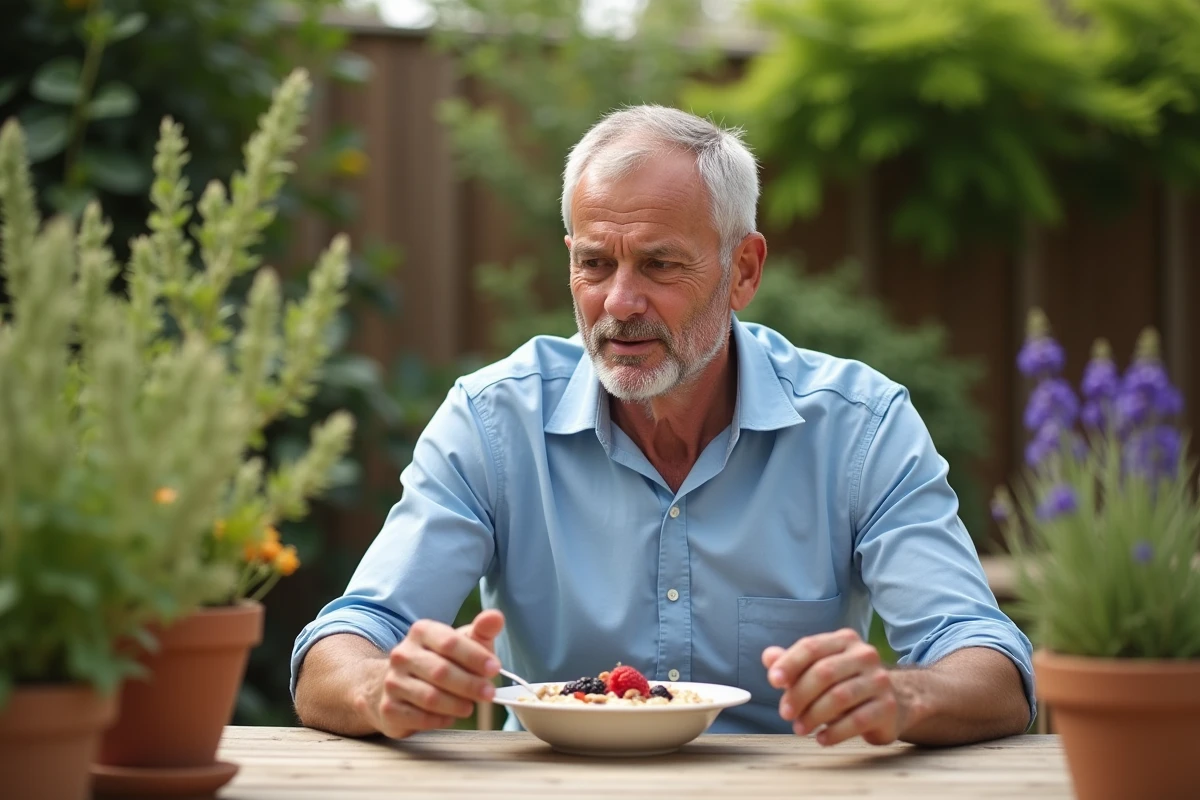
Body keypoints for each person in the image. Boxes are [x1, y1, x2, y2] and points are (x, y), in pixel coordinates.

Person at [291, 105, 1035, 748]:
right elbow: (342, 644)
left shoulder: (858, 427)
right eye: (594, 263)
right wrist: (380, 687)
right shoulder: (493, 421)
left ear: (743, 270)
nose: (618, 301)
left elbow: (991, 666)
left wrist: (903, 697)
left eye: (659, 264)